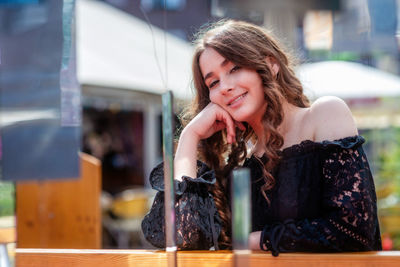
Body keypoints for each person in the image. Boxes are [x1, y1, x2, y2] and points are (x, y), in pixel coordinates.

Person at [141, 20, 382, 256]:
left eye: (234, 68)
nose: (224, 87)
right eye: (213, 82)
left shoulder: (324, 115)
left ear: (271, 64)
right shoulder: (238, 164)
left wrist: (256, 239)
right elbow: (180, 238)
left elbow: (355, 230)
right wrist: (189, 138)